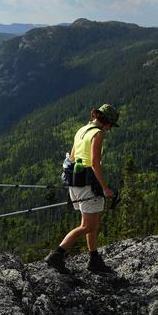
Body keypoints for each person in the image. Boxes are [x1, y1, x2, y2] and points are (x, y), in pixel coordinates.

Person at [45, 104, 119, 274]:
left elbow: (72, 157)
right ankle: (57, 254)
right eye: (111, 126)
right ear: (106, 122)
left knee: (93, 223)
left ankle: (94, 258)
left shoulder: (82, 129)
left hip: (76, 182)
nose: (109, 129)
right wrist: (105, 188)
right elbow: (94, 163)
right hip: (88, 185)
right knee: (87, 226)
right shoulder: (98, 134)